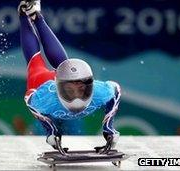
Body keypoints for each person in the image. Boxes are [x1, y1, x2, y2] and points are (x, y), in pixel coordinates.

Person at [18, 0, 121, 150]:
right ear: (59, 86)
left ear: (89, 86)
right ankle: (25, 16)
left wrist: (109, 128)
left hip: (54, 89)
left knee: (67, 67)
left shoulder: (99, 92)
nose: (77, 95)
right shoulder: (44, 98)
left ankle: (36, 16)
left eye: (81, 88)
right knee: (35, 63)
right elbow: (29, 98)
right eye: (70, 89)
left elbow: (116, 90)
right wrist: (50, 131)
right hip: (42, 83)